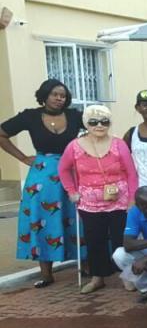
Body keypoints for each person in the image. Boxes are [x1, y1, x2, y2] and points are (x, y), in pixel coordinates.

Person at [0, 79, 84, 288]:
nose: (59, 98)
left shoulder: (75, 116)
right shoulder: (30, 116)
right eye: (55, 94)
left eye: (63, 95)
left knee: (78, 216)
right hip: (42, 175)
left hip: (72, 172)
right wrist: (22, 158)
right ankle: (46, 274)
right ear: (44, 95)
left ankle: (86, 266)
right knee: (42, 218)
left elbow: (99, 126)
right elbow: (2, 133)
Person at [59, 104, 139, 294]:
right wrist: (71, 191)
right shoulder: (74, 146)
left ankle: (126, 276)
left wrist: (132, 199)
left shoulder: (119, 144)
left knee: (121, 240)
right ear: (86, 123)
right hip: (89, 203)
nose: (99, 125)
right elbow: (63, 169)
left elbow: (131, 173)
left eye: (104, 121)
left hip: (119, 201)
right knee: (95, 240)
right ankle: (98, 277)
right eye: (94, 122)